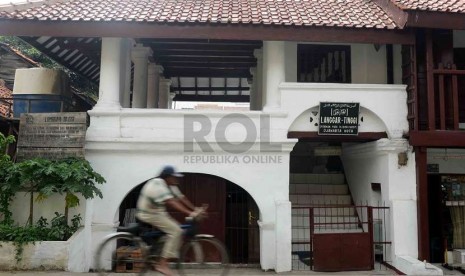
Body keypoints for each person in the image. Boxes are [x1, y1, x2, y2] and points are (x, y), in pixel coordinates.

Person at [136, 165, 205, 276]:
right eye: (174, 177)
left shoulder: (170, 185)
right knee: (176, 231)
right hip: (148, 213)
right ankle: (162, 264)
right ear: (167, 177)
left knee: (171, 230)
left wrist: (195, 209)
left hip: (158, 212)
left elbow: (181, 198)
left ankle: (156, 255)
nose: (176, 179)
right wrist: (190, 213)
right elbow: (171, 202)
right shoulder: (157, 184)